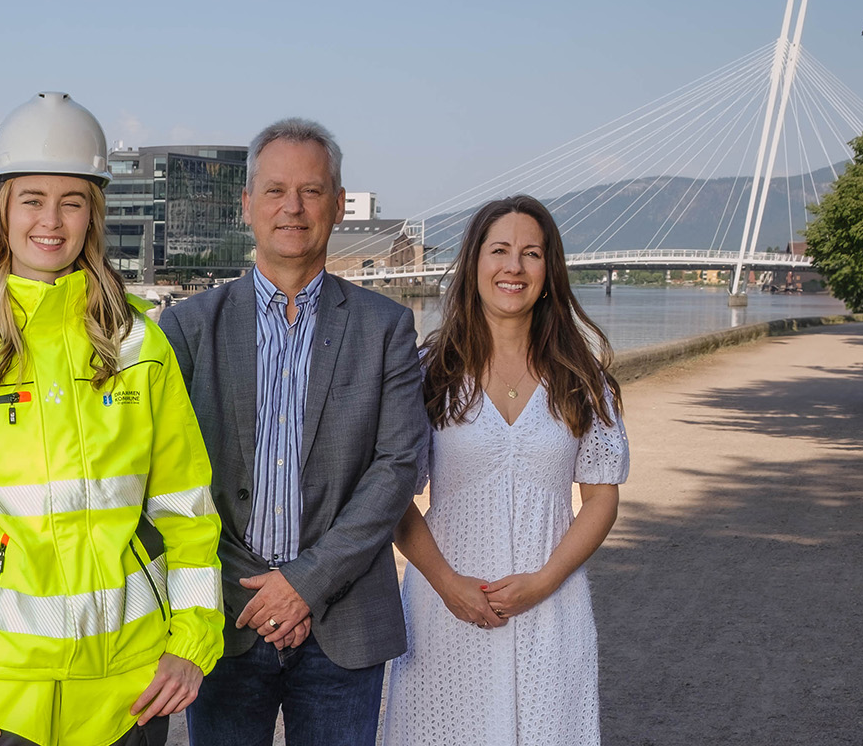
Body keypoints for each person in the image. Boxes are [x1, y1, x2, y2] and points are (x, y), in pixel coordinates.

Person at [0, 92, 223, 746]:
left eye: (72, 202)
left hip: (129, 686)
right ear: (0, 209)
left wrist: (193, 640)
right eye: (32, 198)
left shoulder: (137, 344)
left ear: (93, 215)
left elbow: (187, 511)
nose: (51, 221)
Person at [160, 118, 427, 746]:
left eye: (311, 191)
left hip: (347, 620)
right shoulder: (187, 329)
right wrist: (255, 591)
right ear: (248, 205)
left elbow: (397, 469)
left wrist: (304, 583)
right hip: (224, 615)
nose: (293, 207)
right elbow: (165, 477)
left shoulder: (386, 327)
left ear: (336, 206)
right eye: (276, 190)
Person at [380, 195, 629, 745]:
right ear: (474, 264)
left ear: (549, 271)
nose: (513, 267)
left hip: (552, 607)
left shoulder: (584, 381)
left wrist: (543, 582)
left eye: (531, 253)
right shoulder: (430, 373)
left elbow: (601, 499)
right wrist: (448, 585)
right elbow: (394, 496)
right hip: (445, 607)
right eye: (499, 250)